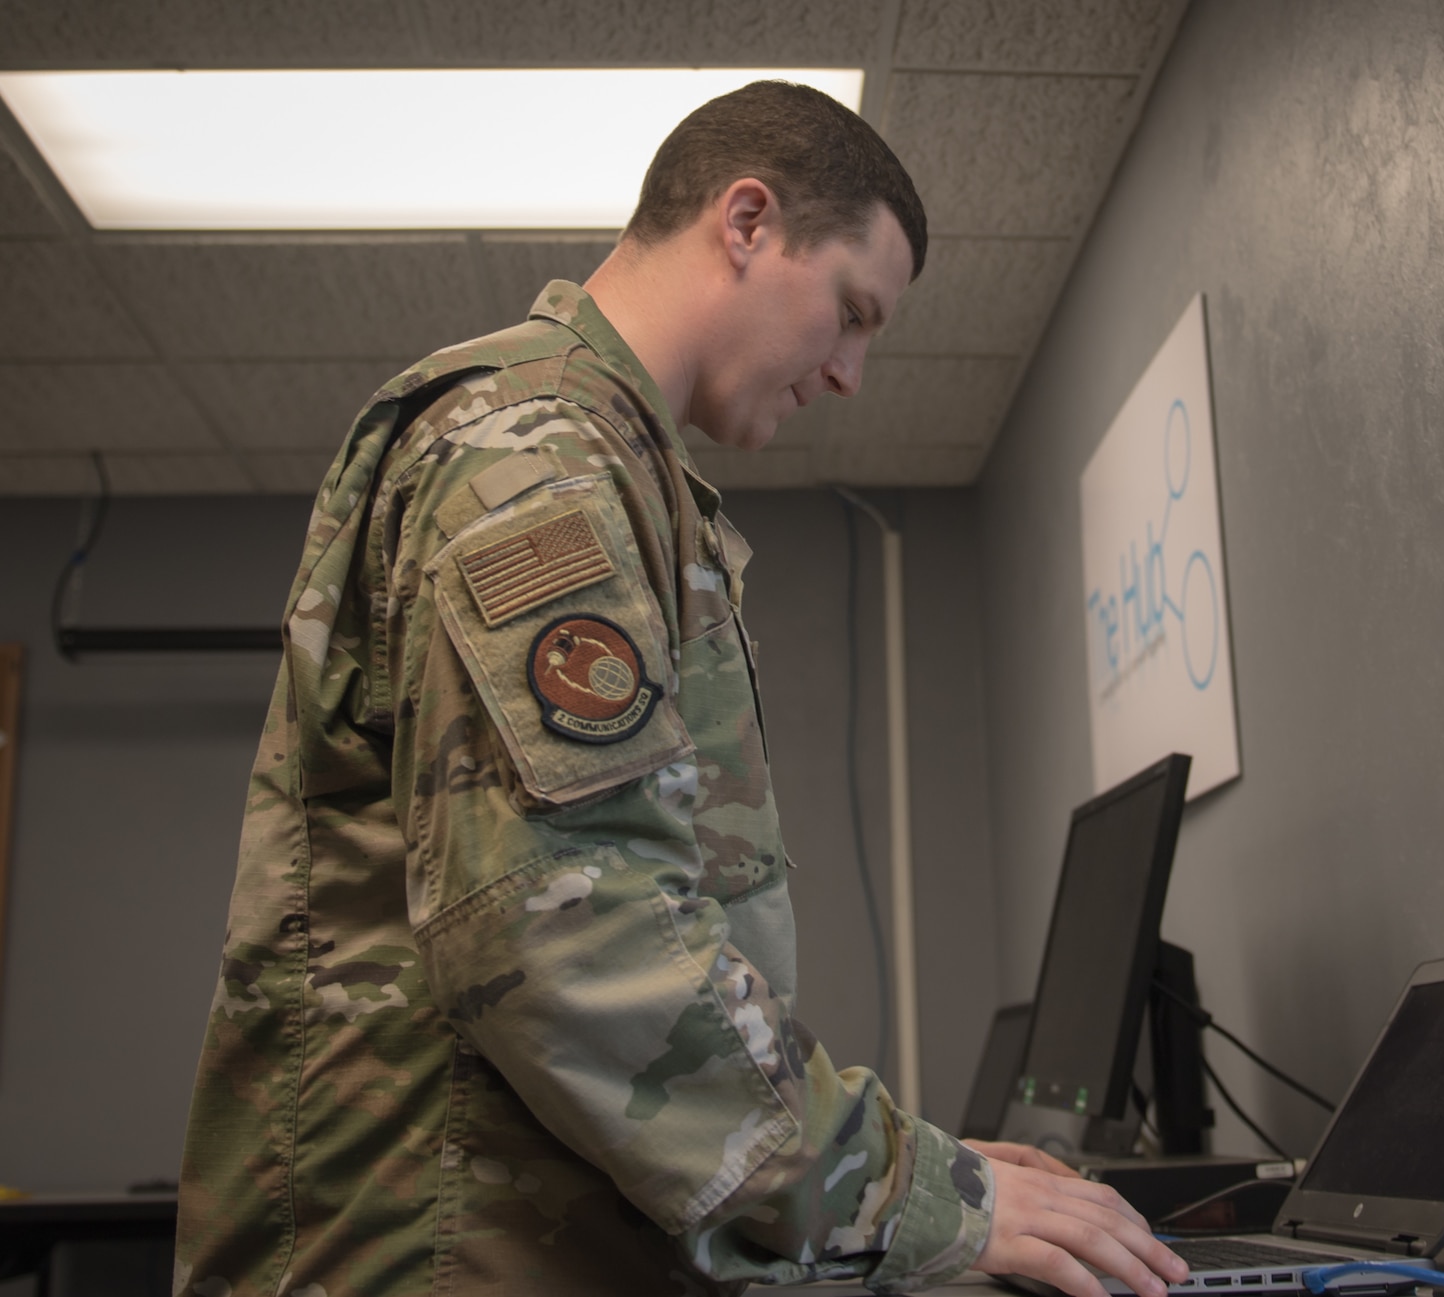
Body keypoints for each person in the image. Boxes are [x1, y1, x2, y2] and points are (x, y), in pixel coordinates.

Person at [174, 80, 1188, 1297]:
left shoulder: (617, 470)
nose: (852, 373)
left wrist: (896, 1170)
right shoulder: (535, 457)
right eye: (852, 312)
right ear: (747, 221)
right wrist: (907, 1188)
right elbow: (573, 935)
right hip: (436, 1251)